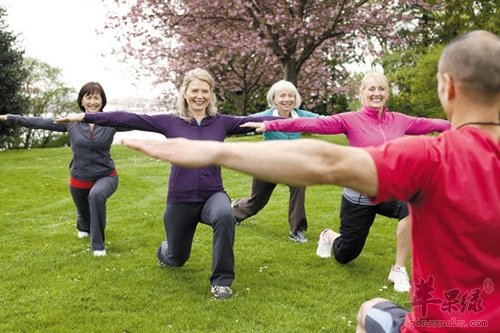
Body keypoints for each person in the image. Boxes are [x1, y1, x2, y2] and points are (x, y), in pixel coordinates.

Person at [119, 30, 499, 332]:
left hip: (442, 325)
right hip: (362, 199)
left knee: (371, 312)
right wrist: (274, 123)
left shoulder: (429, 158)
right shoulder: (414, 146)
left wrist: (215, 152)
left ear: (447, 88)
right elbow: (316, 131)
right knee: (346, 248)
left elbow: (325, 162)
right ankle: (331, 240)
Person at [55, 68, 277, 299]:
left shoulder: (221, 123)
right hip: (181, 199)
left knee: (225, 215)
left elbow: (257, 119)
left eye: (205, 91)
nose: (199, 96)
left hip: (213, 194)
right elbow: (127, 118)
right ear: (185, 93)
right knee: (177, 258)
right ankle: (166, 251)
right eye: (194, 91)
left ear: (211, 95)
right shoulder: (171, 122)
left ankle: (221, 282)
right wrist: (84, 117)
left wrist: (297, 121)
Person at [242, 72, 451, 292]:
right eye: (371, 89)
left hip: (389, 191)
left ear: (387, 93)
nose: (376, 93)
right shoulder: (350, 120)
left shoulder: (400, 120)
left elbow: (435, 124)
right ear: (362, 94)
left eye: (381, 89)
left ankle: (398, 269)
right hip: (359, 195)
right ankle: (329, 236)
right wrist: (272, 126)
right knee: (346, 254)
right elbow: (314, 125)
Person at [0, 82, 120, 257]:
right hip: (79, 177)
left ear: (102, 101)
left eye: (96, 97)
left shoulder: (112, 122)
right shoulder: (70, 122)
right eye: (88, 97)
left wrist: (168, 122)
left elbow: (141, 122)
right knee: (84, 214)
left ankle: (98, 246)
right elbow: (39, 122)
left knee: (96, 196)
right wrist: (8, 117)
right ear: (81, 100)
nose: (92, 102)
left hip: (106, 175)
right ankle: (83, 224)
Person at [231, 80, 320, 243]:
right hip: (266, 165)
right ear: (274, 98)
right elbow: (238, 123)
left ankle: (297, 230)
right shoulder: (265, 117)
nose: (287, 99)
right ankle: (235, 211)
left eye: (291, 96)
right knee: (256, 204)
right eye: (283, 95)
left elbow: (325, 121)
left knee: (299, 183)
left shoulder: (301, 116)